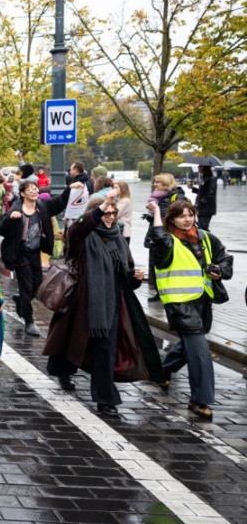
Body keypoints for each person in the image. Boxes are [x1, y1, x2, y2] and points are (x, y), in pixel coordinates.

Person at [45, 196, 162, 410]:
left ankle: (105, 398)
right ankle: (63, 369)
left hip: (112, 304)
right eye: (106, 213)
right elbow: (78, 227)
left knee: (105, 348)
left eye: (113, 213)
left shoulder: (119, 239)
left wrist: (135, 278)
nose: (110, 217)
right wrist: (101, 207)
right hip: (81, 302)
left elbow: (126, 274)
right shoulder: (82, 236)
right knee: (72, 339)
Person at [149, 199, 233, 419]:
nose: (187, 219)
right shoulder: (167, 241)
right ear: (172, 220)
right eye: (181, 216)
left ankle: (162, 372)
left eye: (190, 215)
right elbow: (159, 237)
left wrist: (220, 270)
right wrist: (156, 212)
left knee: (189, 345)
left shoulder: (205, 237)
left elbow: (226, 259)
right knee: (199, 350)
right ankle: (200, 400)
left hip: (203, 302)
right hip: (179, 304)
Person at [0, 180, 75, 337]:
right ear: (22, 193)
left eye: (35, 189)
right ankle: (29, 321)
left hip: (35, 252)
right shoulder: (16, 209)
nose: (34, 191)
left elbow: (59, 202)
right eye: (30, 189)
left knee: (38, 286)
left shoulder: (42, 206)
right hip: (20, 254)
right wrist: (10, 218)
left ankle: (21, 300)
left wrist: (69, 189)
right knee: (26, 288)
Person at [144, 173, 186, 301]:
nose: (155, 184)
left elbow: (174, 216)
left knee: (166, 264)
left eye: (158, 182)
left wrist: (156, 212)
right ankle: (159, 292)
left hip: (167, 236)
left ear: (166, 184)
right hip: (156, 234)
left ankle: (167, 292)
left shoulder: (175, 197)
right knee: (156, 264)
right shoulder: (158, 197)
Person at [191, 165, 217, 230]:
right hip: (200, 207)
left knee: (203, 227)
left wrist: (200, 203)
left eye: (200, 166)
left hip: (206, 208)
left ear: (204, 167)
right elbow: (202, 192)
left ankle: (207, 236)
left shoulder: (212, 178)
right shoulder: (203, 178)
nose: (198, 168)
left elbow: (210, 193)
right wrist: (193, 188)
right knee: (200, 226)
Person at [115, 180, 133, 245]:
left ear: (123, 189)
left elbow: (116, 214)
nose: (114, 190)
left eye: (116, 188)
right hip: (120, 230)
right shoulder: (120, 200)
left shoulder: (125, 201)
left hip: (124, 231)